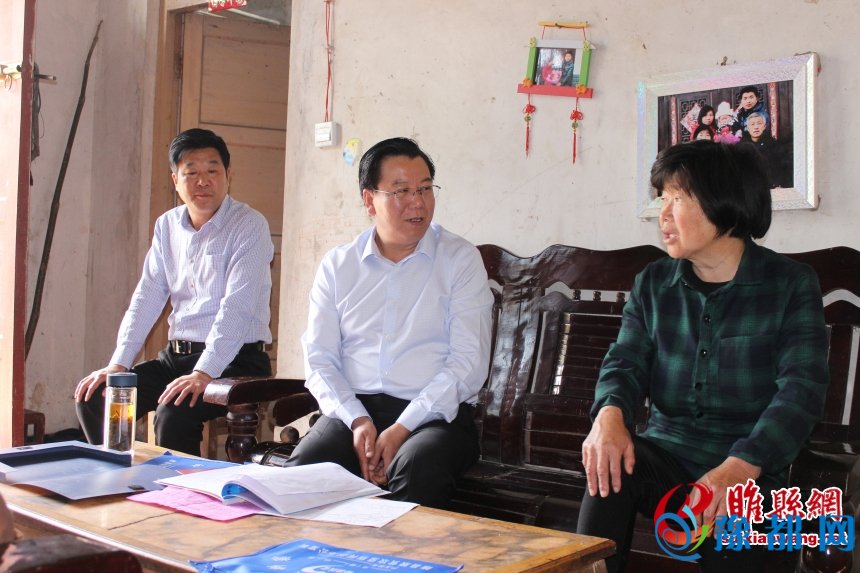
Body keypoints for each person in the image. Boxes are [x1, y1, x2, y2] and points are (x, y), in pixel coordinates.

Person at [576, 141, 829, 572]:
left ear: (723, 202)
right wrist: (609, 415)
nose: (663, 214)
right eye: (662, 198)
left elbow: (801, 391)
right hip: (667, 460)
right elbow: (625, 361)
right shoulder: (653, 283)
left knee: (736, 525)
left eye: (677, 198)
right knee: (610, 462)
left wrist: (740, 466)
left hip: (751, 471)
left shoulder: (789, 285)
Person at [282, 137, 493, 509]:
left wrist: (402, 428)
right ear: (369, 200)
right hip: (354, 412)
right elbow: (319, 359)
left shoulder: (459, 260)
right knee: (304, 474)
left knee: (416, 466)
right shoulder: (339, 265)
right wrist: (357, 420)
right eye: (401, 191)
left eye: (425, 188)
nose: (418, 202)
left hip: (433, 417)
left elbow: (467, 364)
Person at [75, 128, 274, 455]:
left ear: (228, 175)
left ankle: (180, 488)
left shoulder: (249, 225)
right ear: (175, 180)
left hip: (237, 360)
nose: (203, 181)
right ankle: (119, 474)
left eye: (212, 170)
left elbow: (237, 307)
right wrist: (118, 364)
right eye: (191, 172)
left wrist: (204, 372)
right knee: (99, 396)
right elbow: (147, 296)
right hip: (176, 358)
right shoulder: (167, 226)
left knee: (174, 414)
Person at [741, 111, 793, 188]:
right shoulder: (741, 147)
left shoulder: (773, 145)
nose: (756, 127)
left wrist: (778, 183)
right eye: (752, 124)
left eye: (759, 123)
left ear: (764, 126)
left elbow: (780, 167)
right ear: (748, 128)